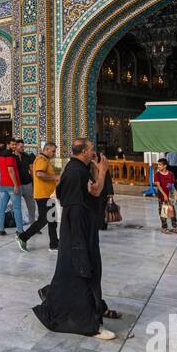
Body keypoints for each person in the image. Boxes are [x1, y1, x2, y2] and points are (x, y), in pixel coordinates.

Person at [33, 138, 119, 340]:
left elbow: (90, 191)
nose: (93, 153)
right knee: (83, 269)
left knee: (78, 269)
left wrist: (98, 170)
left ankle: (63, 299)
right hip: (77, 228)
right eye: (90, 150)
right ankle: (87, 322)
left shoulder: (76, 168)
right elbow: (95, 191)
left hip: (77, 227)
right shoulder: (76, 171)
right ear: (82, 151)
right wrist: (103, 170)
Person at [18, 142, 60, 253]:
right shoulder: (41, 159)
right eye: (53, 151)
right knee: (44, 219)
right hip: (43, 195)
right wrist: (55, 177)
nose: (54, 153)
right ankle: (23, 237)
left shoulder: (44, 160)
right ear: (46, 149)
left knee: (52, 220)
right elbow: (39, 174)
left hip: (47, 195)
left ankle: (54, 243)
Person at [0, 143, 25, 237]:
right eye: (13, 145)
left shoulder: (0, 157)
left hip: (3, 184)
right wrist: (16, 185)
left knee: (2, 207)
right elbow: (11, 171)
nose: (14, 146)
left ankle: (1, 229)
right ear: (8, 146)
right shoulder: (10, 157)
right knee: (17, 208)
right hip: (12, 185)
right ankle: (20, 230)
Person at [154, 157, 177, 233]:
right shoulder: (157, 174)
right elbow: (158, 186)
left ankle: (174, 227)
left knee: (172, 213)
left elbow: (172, 185)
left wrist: (173, 196)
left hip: (170, 196)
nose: (158, 166)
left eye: (160, 165)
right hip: (162, 197)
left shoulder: (170, 174)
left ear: (165, 166)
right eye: (158, 164)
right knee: (164, 213)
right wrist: (164, 195)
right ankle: (164, 227)